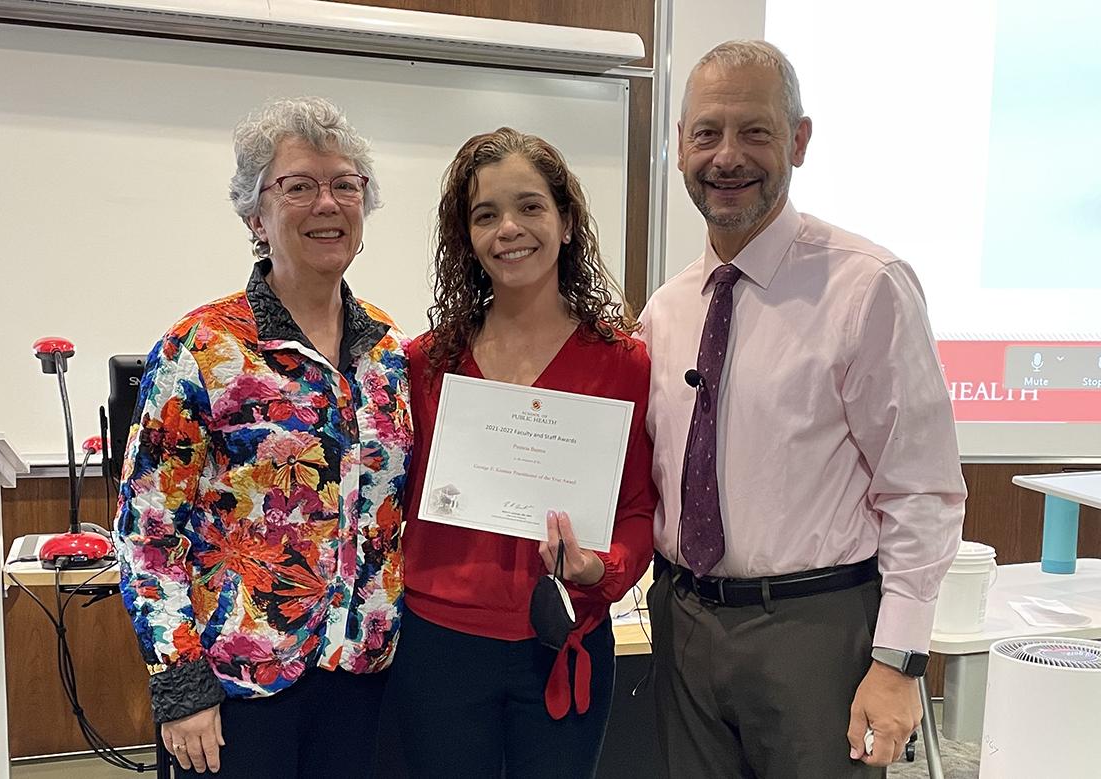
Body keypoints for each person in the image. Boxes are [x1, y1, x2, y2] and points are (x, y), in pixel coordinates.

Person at [638, 40, 967, 777]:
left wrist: (899, 660)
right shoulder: (664, 312)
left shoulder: (867, 287)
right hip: (683, 622)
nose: (727, 157)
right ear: (681, 146)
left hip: (816, 632)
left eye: (754, 131)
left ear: (799, 140)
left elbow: (924, 489)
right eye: (706, 134)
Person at [112, 96, 410, 777]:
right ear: (256, 215)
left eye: (345, 184)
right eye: (299, 186)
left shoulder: (391, 352)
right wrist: (181, 687)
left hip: (362, 678)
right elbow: (147, 529)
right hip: (237, 687)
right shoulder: (202, 347)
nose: (327, 203)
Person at [388, 127, 656, 778]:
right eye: (486, 214)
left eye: (530, 206)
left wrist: (602, 568)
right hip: (441, 643)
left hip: (562, 638)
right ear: (468, 239)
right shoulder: (426, 364)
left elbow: (640, 510)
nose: (510, 228)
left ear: (567, 223)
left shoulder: (624, 363)